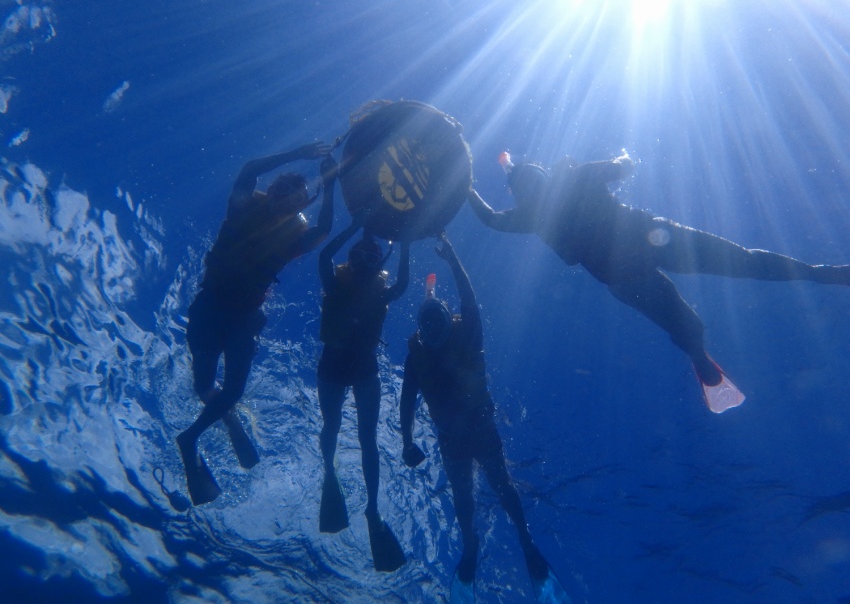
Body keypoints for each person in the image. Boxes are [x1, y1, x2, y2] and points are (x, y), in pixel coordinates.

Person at [467, 151, 850, 413]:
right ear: (542, 173)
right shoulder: (574, 178)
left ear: (518, 193)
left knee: (691, 323)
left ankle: (700, 356)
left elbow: (488, 218)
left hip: (625, 274)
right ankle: (819, 273)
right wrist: (622, 156)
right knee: (742, 262)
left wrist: (464, 185)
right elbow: (625, 166)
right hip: (652, 239)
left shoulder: (531, 216)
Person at [400, 234, 571, 603]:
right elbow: (406, 401)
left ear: (450, 321)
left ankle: (524, 542)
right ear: (425, 332)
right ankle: (471, 545)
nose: (436, 335)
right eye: (430, 331)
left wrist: (455, 258)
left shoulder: (468, 334)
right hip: (455, 438)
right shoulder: (418, 357)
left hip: (478, 429)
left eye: (440, 327)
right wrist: (406, 441)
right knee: (469, 496)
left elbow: (468, 296)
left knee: (501, 486)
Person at [177, 142, 337, 506]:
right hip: (208, 310)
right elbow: (249, 168)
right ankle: (228, 419)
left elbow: (324, 227)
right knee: (204, 385)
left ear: (300, 209)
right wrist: (302, 152)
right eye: (282, 191)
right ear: (273, 188)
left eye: (296, 202)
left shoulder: (292, 240)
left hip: (244, 321)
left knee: (232, 389)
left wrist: (331, 185)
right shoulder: (242, 207)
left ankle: (191, 437)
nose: (285, 203)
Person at [316, 217, 411, 572]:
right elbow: (324, 257)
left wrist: (405, 242)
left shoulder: (382, 292)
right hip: (333, 366)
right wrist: (355, 225)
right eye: (359, 256)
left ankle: (372, 508)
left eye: (372, 259)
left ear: (378, 265)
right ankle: (330, 472)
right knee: (331, 426)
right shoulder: (335, 284)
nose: (364, 263)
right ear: (350, 258)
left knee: (367, 438)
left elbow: (402, 283)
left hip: (362, 368)